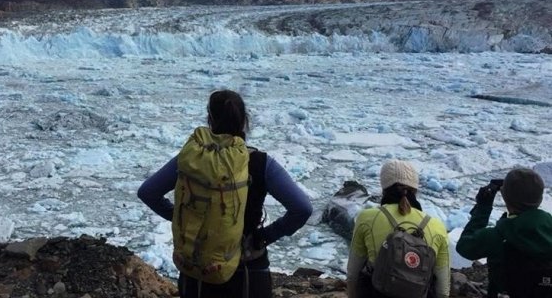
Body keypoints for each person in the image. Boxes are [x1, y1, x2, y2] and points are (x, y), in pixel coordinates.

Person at [138, 89, 312, 298]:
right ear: (243, 120)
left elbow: (148, 192)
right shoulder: (260, 163)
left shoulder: (191, 161)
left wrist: (184, 217)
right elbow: (302, 208)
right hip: (248, 270)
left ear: (209, 118)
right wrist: (263, 237)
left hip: (199, 269)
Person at [347, 160, 450, 298]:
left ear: (384, 187)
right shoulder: (437, 226)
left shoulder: (367, 218)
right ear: (415, 188)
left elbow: (353, 274)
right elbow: (442, 290)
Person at [456, 168, 552, 298]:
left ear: (506, 198)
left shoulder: (498, 235)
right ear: (540, 199)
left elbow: (464, 246)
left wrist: (482, 209)